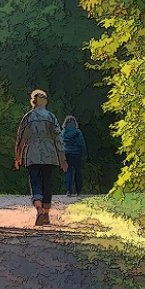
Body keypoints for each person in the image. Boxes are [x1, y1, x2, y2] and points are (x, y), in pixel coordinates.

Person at [14, 89, 67, 226]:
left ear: (33, 102)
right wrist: (62, 159)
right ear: (45, 102)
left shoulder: (28, 117)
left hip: (33, 153)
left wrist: (18, 156)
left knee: (35, 182)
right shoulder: (51, 117)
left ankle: (39, 210)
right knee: (47, 183)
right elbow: (58, 139)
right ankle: (46, 214)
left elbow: (21, 138)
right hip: (50, 154)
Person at [61, 115, 87, 196]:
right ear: (74, 123)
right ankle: (78, 191)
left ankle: (69, 190)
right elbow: (82, 143)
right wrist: (84, 153)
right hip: (76, 154)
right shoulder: (77, 132)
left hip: (66, 154)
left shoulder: (63, 132)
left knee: (68, 172)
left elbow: (60, 143)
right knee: (77, 172)